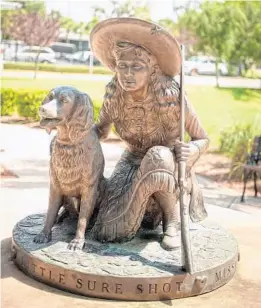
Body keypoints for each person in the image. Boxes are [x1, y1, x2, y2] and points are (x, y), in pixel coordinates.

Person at [90, 18, 209, 250]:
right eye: (122, 66)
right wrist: (76, 137)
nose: (127, 74)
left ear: (152, 69)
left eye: (137, 67)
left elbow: (202, 138)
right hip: (132, 161)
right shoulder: (115, 96)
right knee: (108, 230)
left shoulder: (172, 96)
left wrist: (191, 149)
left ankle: (171, 220)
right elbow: (99, 130)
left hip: (168, 165)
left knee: (158, 156)